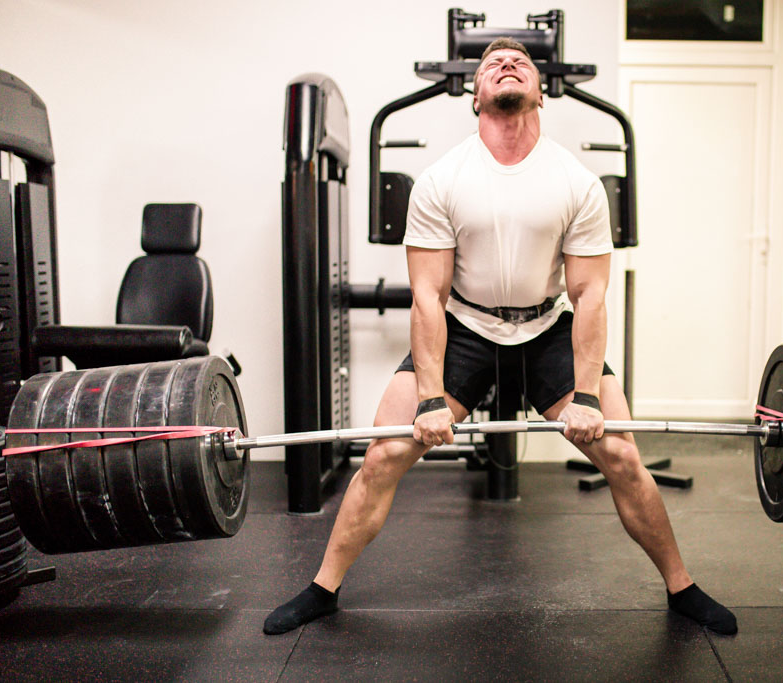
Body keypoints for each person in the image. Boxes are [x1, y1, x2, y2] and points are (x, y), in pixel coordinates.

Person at [263, 38, 737, 637]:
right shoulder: (443, 180)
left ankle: (681, 586)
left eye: (520, 64)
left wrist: (587, 395)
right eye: (492, 65)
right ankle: (322, 588)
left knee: (619, 453)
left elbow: (589, 295)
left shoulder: (576, 182)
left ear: (540, 91)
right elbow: (428, 297)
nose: (506, 65)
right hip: (464, 325)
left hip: (545, 328)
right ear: (475, 94)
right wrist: (432, 398)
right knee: (383, 455)